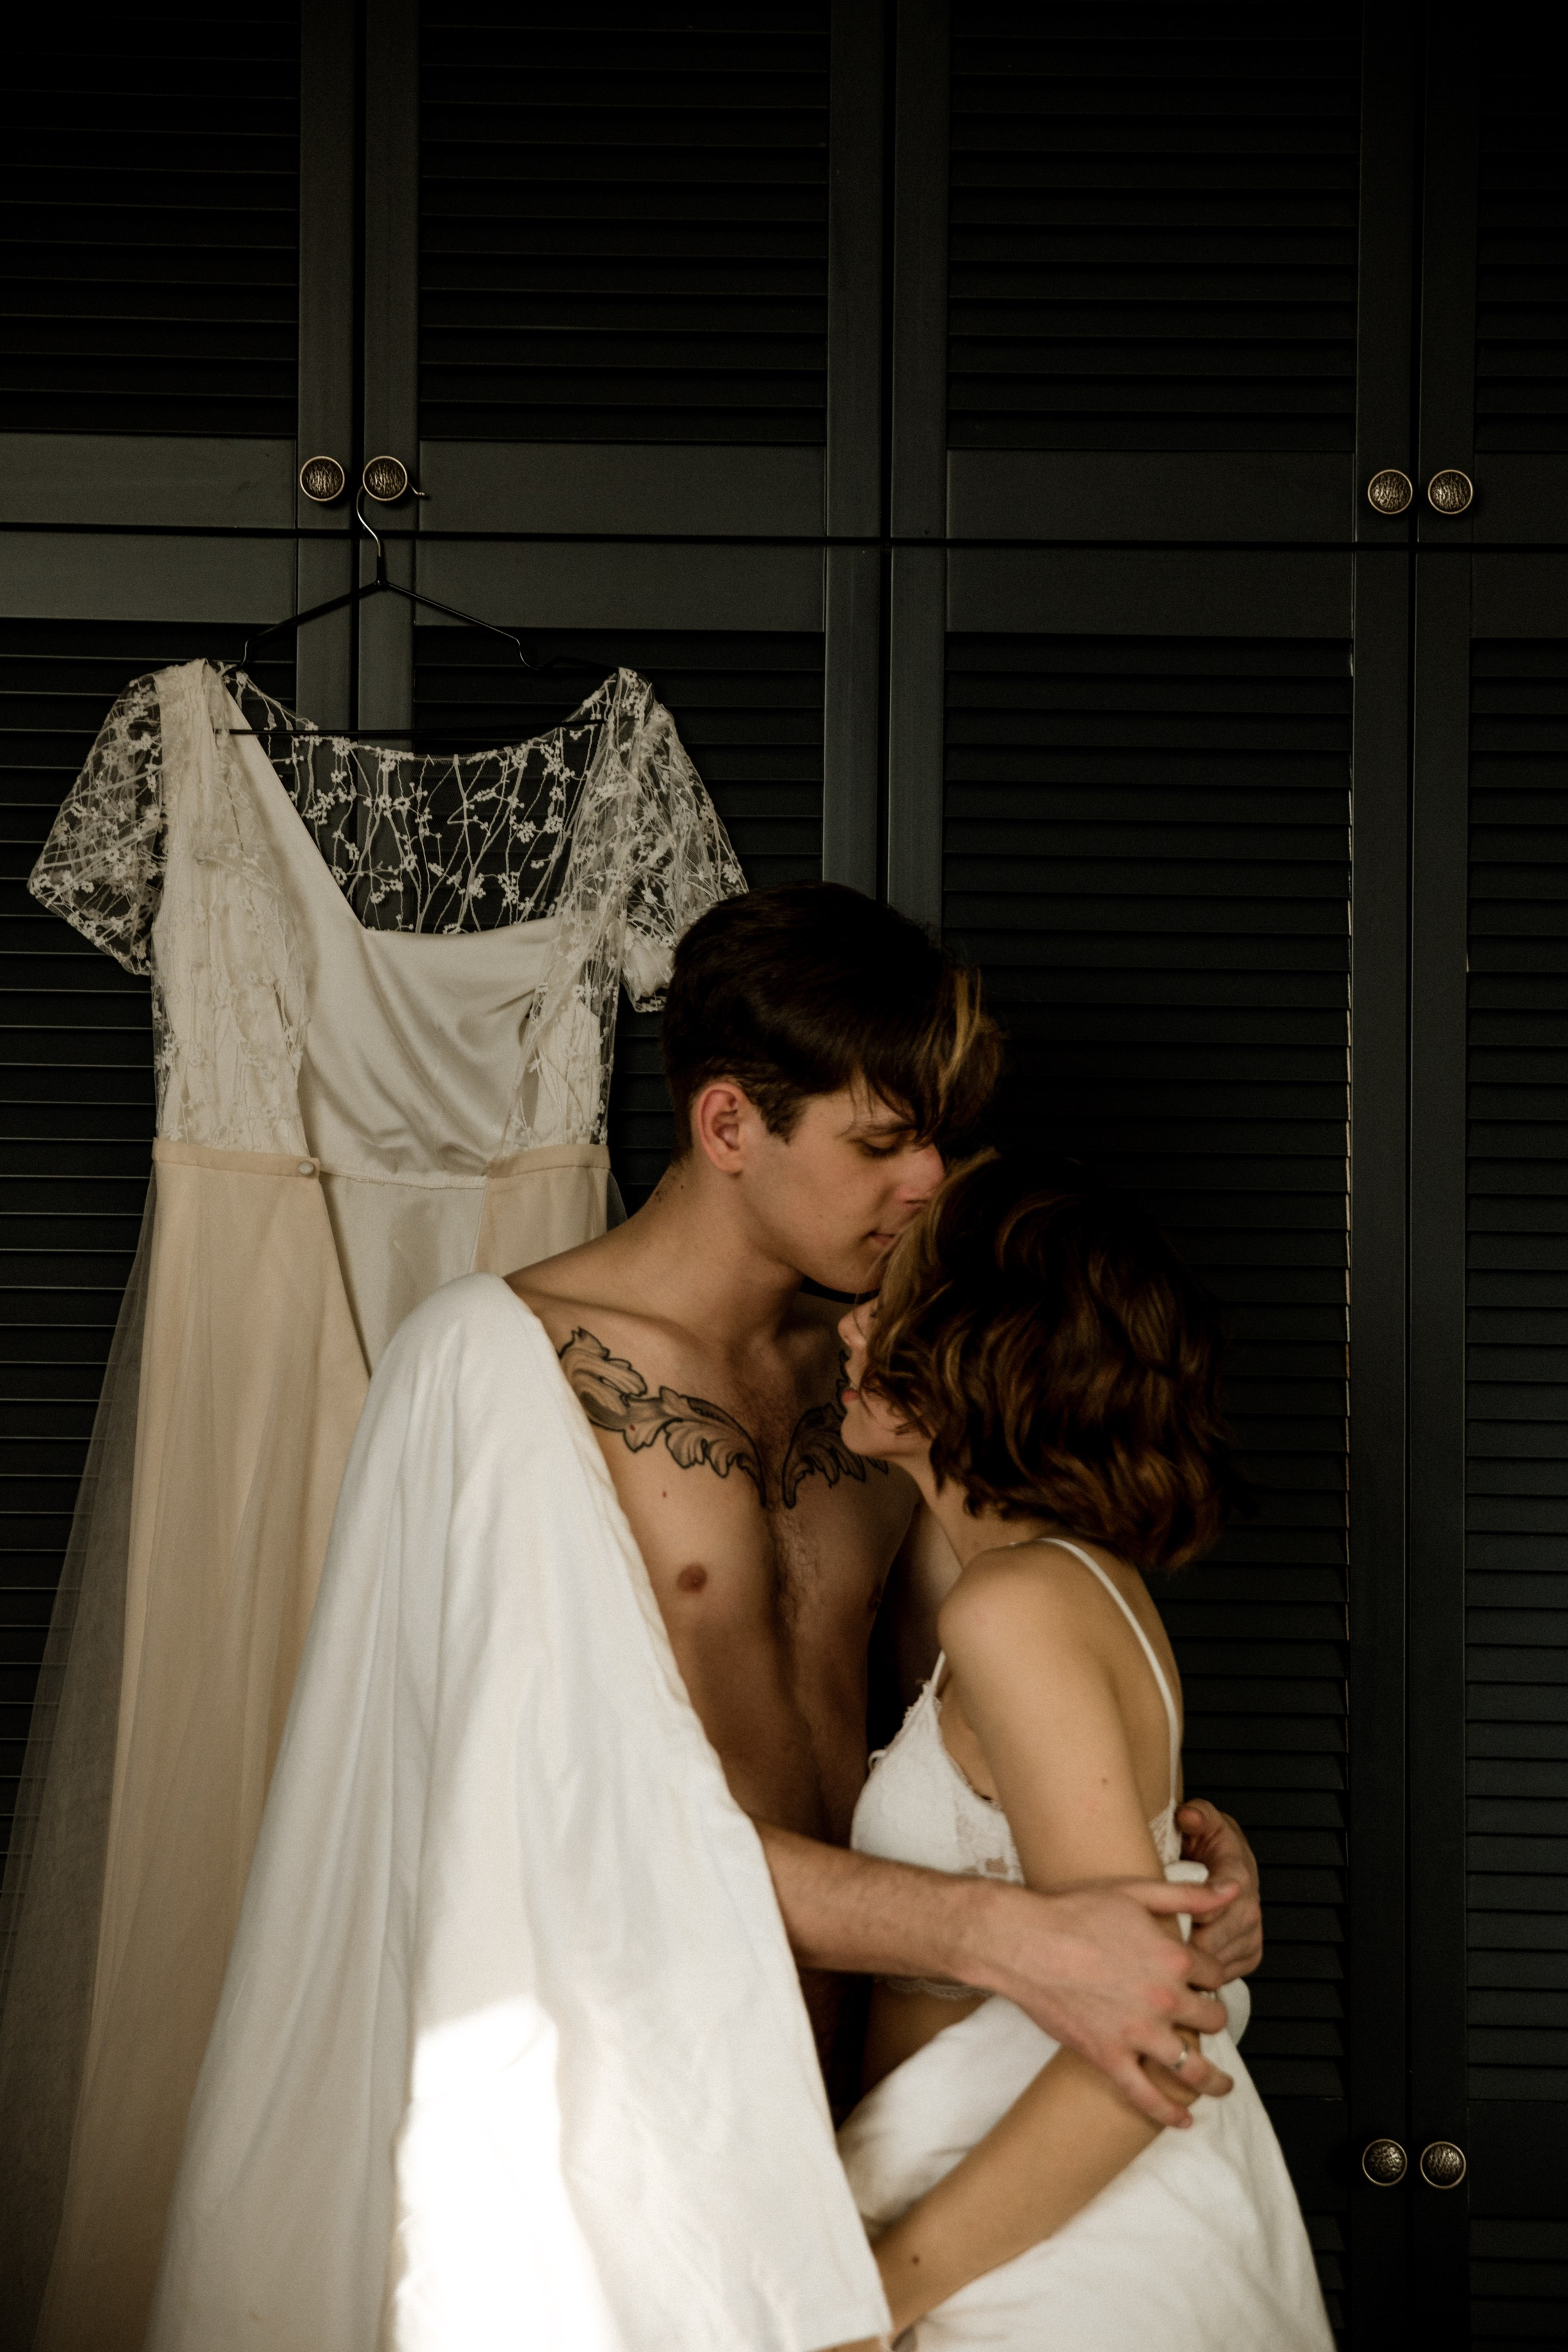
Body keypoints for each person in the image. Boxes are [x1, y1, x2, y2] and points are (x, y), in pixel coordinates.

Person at [513, 883, 1259, 2113]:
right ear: (726, 1125)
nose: (926, 1182)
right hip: (642, 2064)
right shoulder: (510, 1367)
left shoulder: (906, 1387)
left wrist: (1175, 1876)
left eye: (937, 1142)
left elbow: (989, 1711)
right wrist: (1001, 1935)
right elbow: (515, 1803)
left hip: (900, 2068)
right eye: (879, 1144)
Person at [831, 1154, 1333, 2350]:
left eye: (887, 1304)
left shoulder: (1012, 1610)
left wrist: (879, 2293)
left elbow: (1142, 2040)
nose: (849, 1323)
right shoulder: (1064, 1586)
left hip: (1053, 2266)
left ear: (965, 1366)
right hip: (1023, 2214)